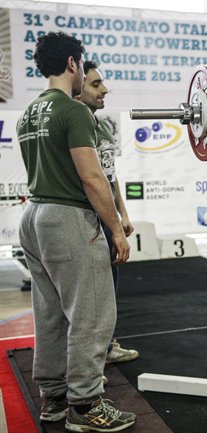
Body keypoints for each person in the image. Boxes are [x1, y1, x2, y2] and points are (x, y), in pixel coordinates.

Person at [16, 31, 136, 430]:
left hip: (33, 217)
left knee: (50, 314)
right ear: (72, 64)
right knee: (92, 314)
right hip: (67, 219)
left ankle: (54, 397)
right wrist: (116, 229)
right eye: (83, 66)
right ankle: (86, 406)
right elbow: (91, 176)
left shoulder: (28, 114)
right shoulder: (73, 111)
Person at [77, 60, 139, 364]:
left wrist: (121, 215)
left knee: (109, 288)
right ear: (78, 88)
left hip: (106, 218)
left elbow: (110, 176)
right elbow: (88, 179)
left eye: (102, 82)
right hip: (82, 220)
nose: (105, 89)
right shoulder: (73, 124)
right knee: (89, 293)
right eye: (96, 84)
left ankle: (106, 345)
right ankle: (88, 359)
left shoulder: (102, 125)